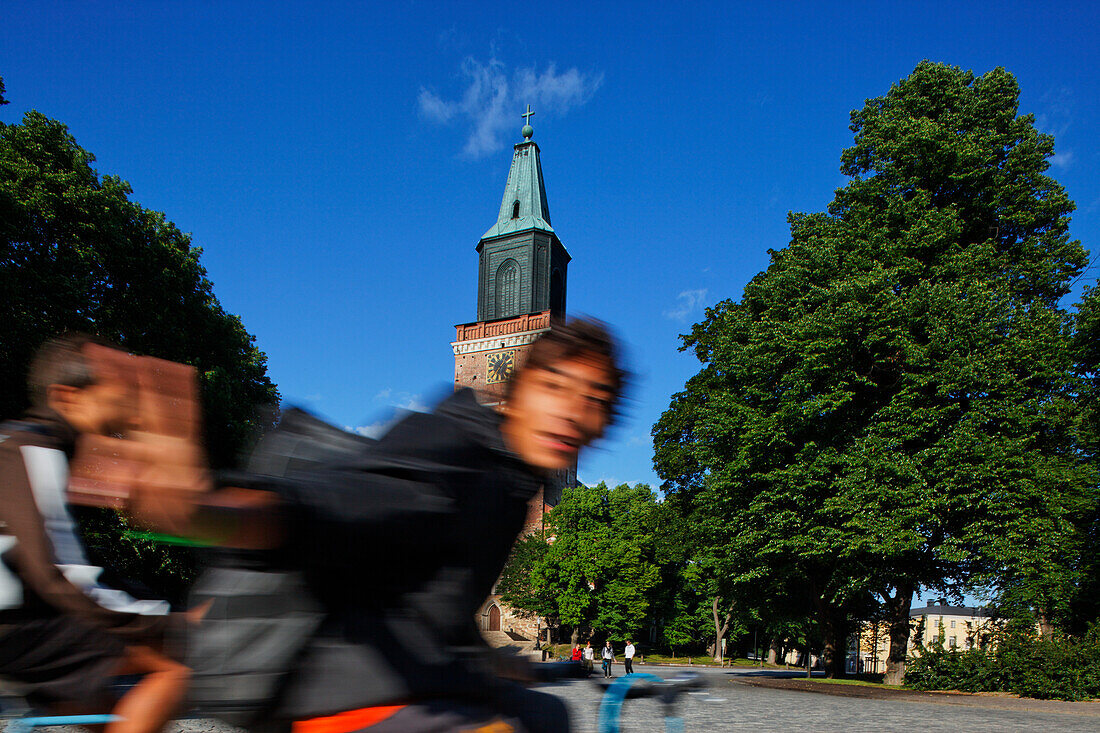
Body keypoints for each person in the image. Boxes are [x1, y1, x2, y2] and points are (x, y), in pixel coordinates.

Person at [196, 318, 627, 733]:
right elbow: (331, 506)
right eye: (554, 386)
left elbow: (436, 602)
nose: (573, 412)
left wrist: (493, 659)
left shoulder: (510, 486)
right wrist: (200, 508)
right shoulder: (454, 449)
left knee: (547, 715)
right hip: (354, 697)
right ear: (515, 393)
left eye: (596, 400)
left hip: (418, 685)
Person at [0, 336, 191, 733]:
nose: (130, 401)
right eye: (119, 390)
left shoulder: (22, 442)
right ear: (69, 396)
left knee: (99, 705)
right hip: (15, 624)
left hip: (21, 618)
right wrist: (167, 622)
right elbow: (60, 571)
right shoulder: (35, 449)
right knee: (179, 661)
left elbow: (65, 559)